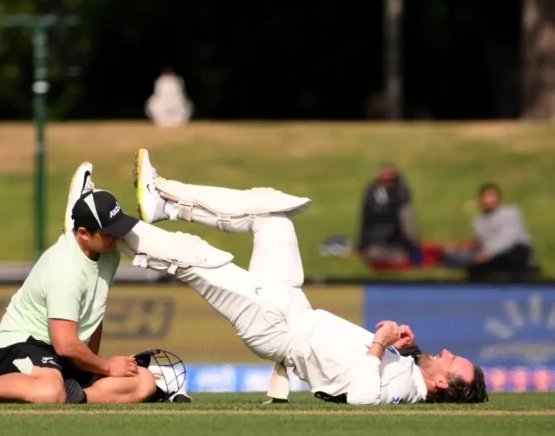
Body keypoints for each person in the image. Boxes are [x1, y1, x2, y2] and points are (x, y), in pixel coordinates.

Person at [122, 149, 488, 405]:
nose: (448, 352)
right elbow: (392, 371)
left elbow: (362, 398)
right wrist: (407, 348)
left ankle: (103, 224)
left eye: (452, 361)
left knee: (196, 257)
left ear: (441, 382)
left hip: (278, 328)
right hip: (294, 306)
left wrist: (379, 342)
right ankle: (165, 202)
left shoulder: (404, 391)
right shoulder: (409, 372)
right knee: (272, 213)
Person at [0, 162, 157, 405]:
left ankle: (77, 397)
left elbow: (94, 314)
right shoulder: (66, 268)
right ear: (83, 233)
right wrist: (105, 366)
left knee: (144, 381)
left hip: (62, 356)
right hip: (20, 347)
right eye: (109, 232)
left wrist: (94, 370)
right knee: (50, 391)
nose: (117, 237)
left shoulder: (108, 254)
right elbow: (65, 345)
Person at [467, 183, 535, 282]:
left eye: (492, 196)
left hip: (513, 253)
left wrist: (488, 253)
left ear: (499, 198)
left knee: (517, 252)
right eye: (486, 197)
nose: (489, 200)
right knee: (474, 267)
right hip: (493, 256)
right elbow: (482, 243)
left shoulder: (511, 213)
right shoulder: (479, 221)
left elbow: (509, 238)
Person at [357, 163, 421, 268]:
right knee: (373, 253)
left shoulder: (401, 197)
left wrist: (412, 244)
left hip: (395, 241)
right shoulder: (372, 194)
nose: (387, 184)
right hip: (376, 241)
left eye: (390, 180)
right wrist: (361, 243)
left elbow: (409, 227)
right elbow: (366, 219)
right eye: (383, 180)